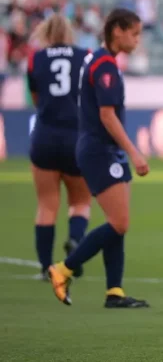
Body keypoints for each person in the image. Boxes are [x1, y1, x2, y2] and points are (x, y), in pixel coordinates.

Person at [47, 8, 151, 309]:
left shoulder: (97, 59)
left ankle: (114, 291)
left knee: (116, 222)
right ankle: (63, 269)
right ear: (117, 31)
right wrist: (134, 151)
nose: (137, 40)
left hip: (102, 150)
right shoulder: (104, 67)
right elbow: (107, 116)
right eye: (134, 33)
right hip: (100, 151)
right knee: (119, 223)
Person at [27, 14, 91, 280]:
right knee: (80, 201)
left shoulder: (36, 58)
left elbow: (35, 98)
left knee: (46, 205)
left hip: (44, 136)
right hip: (76, 136)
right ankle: (75, 242)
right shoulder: (85, 56)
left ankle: (45, 267)